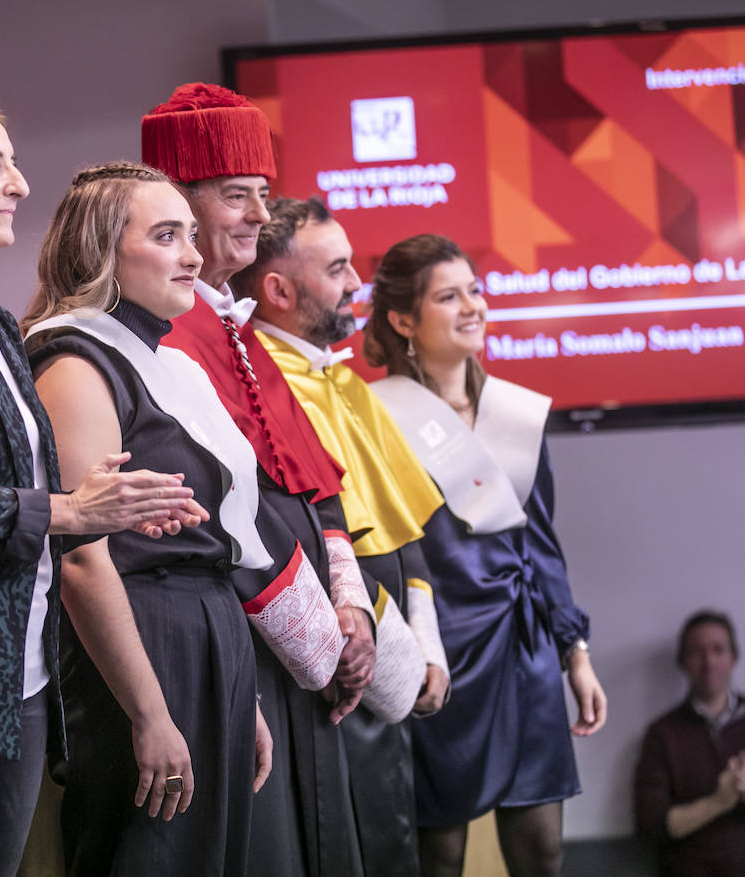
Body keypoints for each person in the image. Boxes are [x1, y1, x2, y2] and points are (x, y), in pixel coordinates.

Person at [0, 91, 203, 877]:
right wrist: (68, 509)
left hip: (22, 665)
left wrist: (118, 504)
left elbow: (22, 482)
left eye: (13, 162)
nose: (20, 184)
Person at [22, 162, 342, 877]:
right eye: (167, 236)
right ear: (102, 249)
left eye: (191, 235)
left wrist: (241, 694)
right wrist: (149, 713)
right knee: (146, 856)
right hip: (141, 637)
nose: (194, 257)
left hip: (209, 635)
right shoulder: (73, 359)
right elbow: (82, 557)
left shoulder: (171, 363)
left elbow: (220, 535)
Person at [142, 82, 378, 877]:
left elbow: (313, 486)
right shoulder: (167, 333)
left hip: (300, 648)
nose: (256, 216)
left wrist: (349, 606)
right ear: (175, 201)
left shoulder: (234, 327)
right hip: (248, 647)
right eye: (235, 195)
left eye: (262, 195)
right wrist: (322, 643)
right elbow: (221, 514)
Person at [363, 233, 608, 877]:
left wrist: (574, 654)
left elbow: (542, 545)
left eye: (475, 290)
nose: (472, 306)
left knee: (541, 848)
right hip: (441, 650)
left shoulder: (515, 414)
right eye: (449, 296)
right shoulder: (374, 415)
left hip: (522, 644)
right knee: (438, 852)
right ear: (402, 320)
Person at [233, 198, 453, 877]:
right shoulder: (257, 386)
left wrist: (426, 642)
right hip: (327, 660)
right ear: (278, 289)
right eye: (337, 268)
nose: (358, 281)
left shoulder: (346, 382)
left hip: (385, 645)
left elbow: (401, 531)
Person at [634, 610, 745, 877]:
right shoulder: (663, 734)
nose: (709, 663)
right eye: (697, 652)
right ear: (682, 662)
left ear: (734, 657)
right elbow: (652, 824)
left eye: (718, 650)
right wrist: (719, 801)